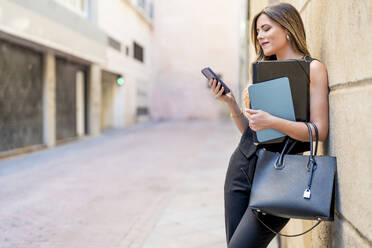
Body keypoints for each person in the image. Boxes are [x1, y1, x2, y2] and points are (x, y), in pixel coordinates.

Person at [208, 3, 329, 248]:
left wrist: (273, 121)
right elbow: (254, 133)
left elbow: (319, 131)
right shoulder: (262, 71)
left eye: (265, 29)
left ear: (287, 29)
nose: (260, 36)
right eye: (257, 32)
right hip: (241, 168)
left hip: (281, 176)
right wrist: (231, 103)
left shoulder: (313, 69)